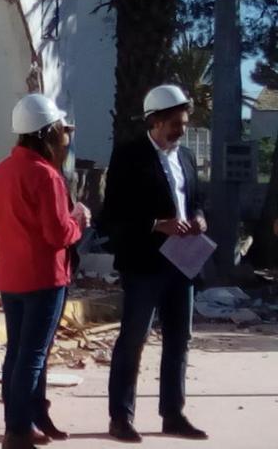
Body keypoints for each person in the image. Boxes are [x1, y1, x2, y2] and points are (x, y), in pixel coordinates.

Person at [102, 84, 209, 442]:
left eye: (183, 123)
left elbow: (195, 199)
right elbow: (112, 215)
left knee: (180, 338)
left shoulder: (186, 157)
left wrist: (198, 218)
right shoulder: (129, 156)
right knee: (134, 338)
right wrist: (155, 224)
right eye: (175, 124)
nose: (181, 130)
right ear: (155, 121)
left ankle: (173, 414)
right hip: (144, 264)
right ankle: (121, 417)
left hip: (182, 263)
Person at [0, 94, 90, 449]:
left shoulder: (1, 170)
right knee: (33, 355)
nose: (67, 136)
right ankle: (18, 428)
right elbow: (59, 234)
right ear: (47, 133)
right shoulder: (47, 176)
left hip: (11, 276)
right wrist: (79, 221)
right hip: (45, 277)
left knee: (18, 352)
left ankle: (26, 418)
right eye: (62, 130)